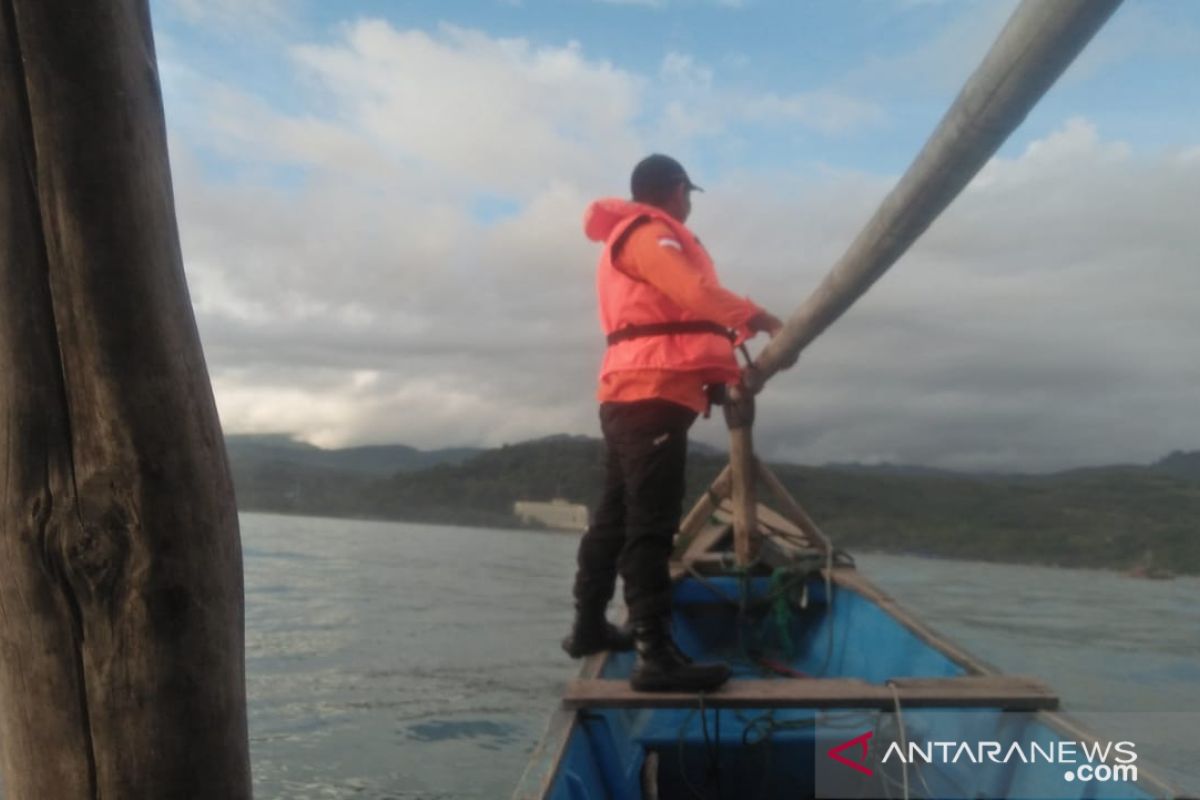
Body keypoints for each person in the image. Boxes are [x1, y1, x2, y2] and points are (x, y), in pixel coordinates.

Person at [562, 154, 782, 692]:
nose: (688, 205)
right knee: (650, 526)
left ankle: (589, 627)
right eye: (689, 194)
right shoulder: (649, 235)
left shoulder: (631, 235)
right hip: (651, 394)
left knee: (614, 519)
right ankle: (654, 655)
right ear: (677, 189)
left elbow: (676, 312)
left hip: (631, 391)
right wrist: (757, 318)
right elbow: (692, 292)